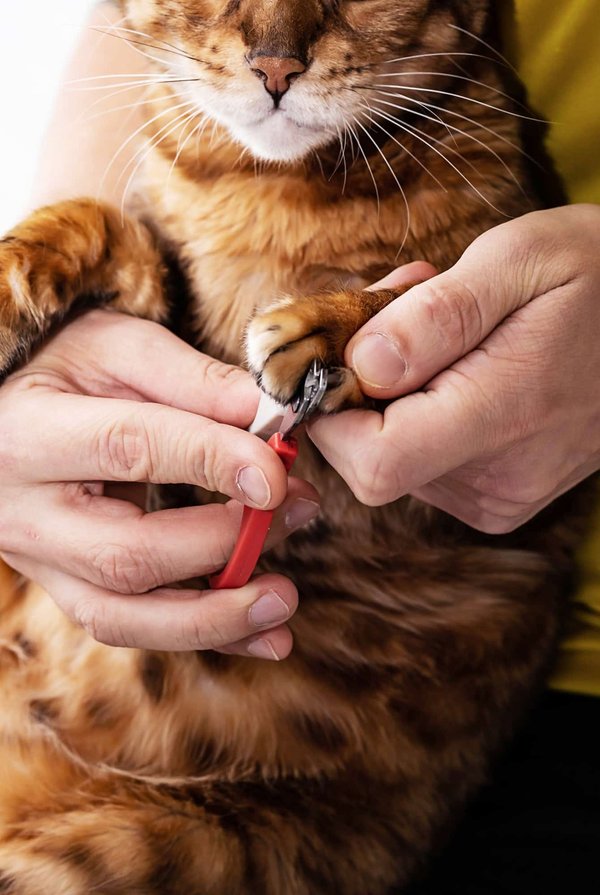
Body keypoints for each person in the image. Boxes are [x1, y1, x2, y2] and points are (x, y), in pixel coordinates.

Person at [0, 0, 598, 886]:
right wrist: (44, 344)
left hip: (295, 786)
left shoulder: (467, 168)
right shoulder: (198, 109)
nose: (276, 56)